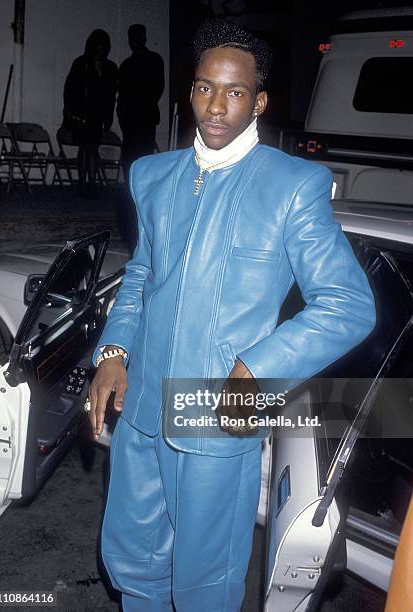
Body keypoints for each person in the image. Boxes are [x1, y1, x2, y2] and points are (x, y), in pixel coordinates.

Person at [88, 18, 376, 612]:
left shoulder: (294, 185)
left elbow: (348, 305)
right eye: (203, 89)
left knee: (205, 585)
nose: (216, 107)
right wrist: (113, 353)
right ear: (189, 91)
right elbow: (142, 274)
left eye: (235, 92)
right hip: (140, 411)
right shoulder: (152, 176)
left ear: (259, 100)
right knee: (134, 567)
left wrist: (258, 368)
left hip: (215, 413)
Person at [63, 29, 118, 199]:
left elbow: (111, 95)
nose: (102, 47)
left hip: (98, 116)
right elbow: (69, 90)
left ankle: (91, 184)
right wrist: (72, 114)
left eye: (105, 44)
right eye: (99, 44)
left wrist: (108, 116)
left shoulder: (110, 67)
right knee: (85, 148)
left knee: (92, 148)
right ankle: (83, 183)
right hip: (81, 115)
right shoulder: (81, 64)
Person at [117, 24, 164, 177]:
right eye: (132, 37)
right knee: (130, 157)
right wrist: (122, 115)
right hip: (130, 119)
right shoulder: (126, 65)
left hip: (145, 117)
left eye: (138, 37)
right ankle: (130, 191)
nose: (135, 41)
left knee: (144, 156)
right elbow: (122, 94)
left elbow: (157, 88)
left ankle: (142, 191)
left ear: (144, 38)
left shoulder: (154, 60)